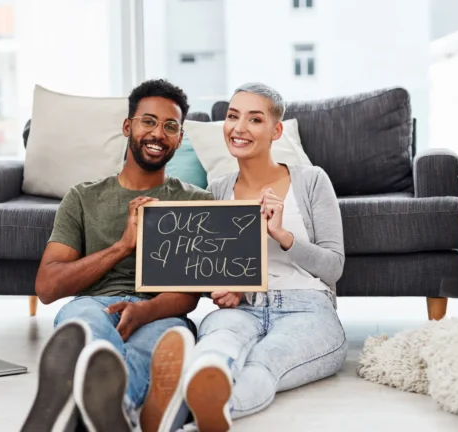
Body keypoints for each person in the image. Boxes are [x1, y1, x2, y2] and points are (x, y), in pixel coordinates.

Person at [20, 79, 213, 432]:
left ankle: (93, 410)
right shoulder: (82, 198)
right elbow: (47, 287)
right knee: (82, 325)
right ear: (128, 126)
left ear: (180, 138)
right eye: (148, 121)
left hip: (159, 312)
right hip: (95, 304)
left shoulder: (198, 203)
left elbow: (189, 295)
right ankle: (110, 411)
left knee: (161, 346)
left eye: (171, 126)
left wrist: (145, 310)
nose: (158, 133)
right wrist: (123, 246)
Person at [180, 83, 348, 432]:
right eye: (232, 116)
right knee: (216, 346)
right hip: (243, 308)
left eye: (254, 119)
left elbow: (334, 267)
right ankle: (180, 403)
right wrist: (225, 287)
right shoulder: (217, 192)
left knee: (262, 363)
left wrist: (283, 236)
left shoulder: (312, 181)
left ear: (276, 131)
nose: (239, 128)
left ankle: (202, 418)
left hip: (308, 307)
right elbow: (211, 267)